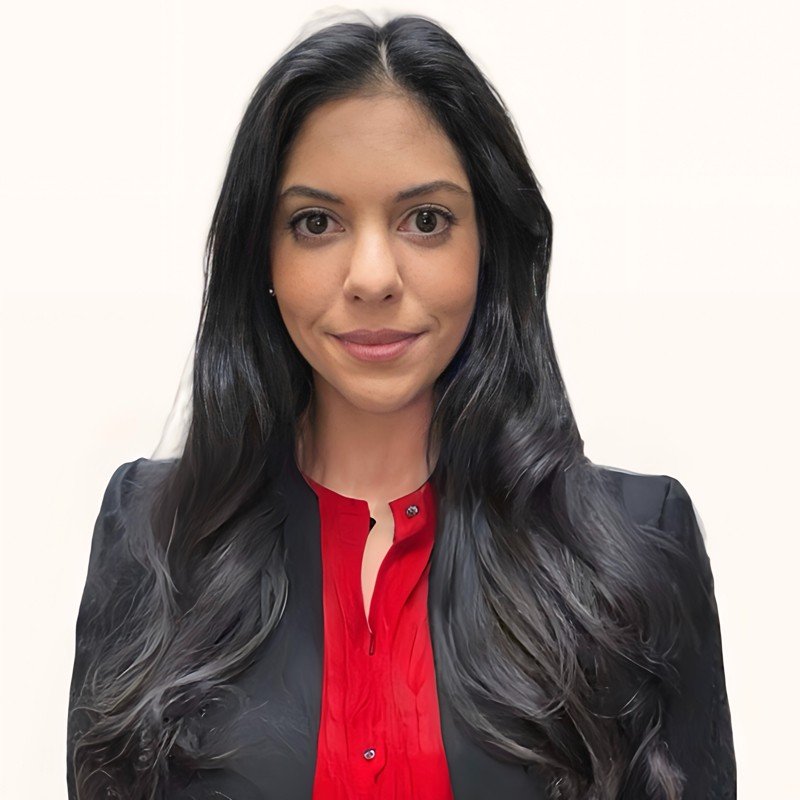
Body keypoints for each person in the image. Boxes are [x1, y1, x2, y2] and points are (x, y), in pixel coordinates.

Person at [67, 11, 736, 800]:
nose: (373, 277)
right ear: (262, 258)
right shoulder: (152, 537)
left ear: (489, 247)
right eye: (316, 223)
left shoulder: (635, 546)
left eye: (426, 221)